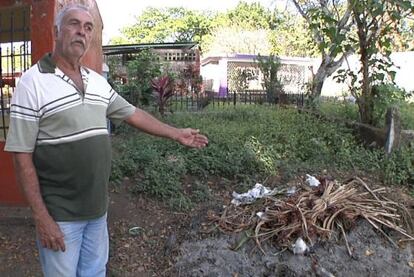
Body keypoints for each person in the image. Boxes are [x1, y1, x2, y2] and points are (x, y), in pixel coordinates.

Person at [4, 4, 208, 277]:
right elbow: (21, 156)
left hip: (97, 210)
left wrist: (175, 132)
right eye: (74, 24)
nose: (81, 32)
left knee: (95, 272)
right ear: (56, 31)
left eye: (88, 28)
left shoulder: (96, 81)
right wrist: (42, 218)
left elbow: (133, 113)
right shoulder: (32, 83)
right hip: (60, 214)